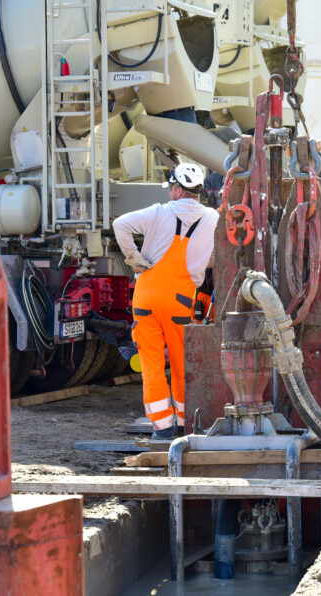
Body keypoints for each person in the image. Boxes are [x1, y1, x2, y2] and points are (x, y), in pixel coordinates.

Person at [113, 163, 219, 440]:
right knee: (184, 363)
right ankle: (185, 425)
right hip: (181, 298)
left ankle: (162, 428)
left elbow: (120, 224)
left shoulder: (159, 212)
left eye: (172, 188)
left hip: (146, 294)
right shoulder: (211, 218)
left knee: (151, 364)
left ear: (177, 189)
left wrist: (135, 258)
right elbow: (215, 258)